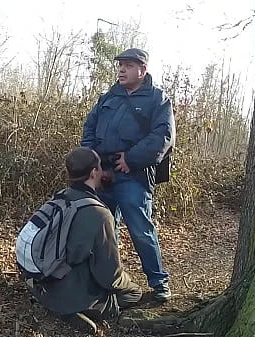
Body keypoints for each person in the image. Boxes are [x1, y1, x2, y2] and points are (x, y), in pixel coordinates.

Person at [81, 48, 175, 301]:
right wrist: (95, 162)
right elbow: (89, 129)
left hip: (134, 175)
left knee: (140, 229)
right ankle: (108, 281)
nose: (121, 70)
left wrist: (130, 159)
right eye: (120, 65)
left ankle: (159, 284)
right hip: (104, 174)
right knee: (104, 231)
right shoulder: (108, 98)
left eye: (128, 65)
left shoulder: (157, 99)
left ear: (142, 70)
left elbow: (163, 136)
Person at [16, 147, 142, 333]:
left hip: (42, 279)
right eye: (100, 167)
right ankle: (75, 310)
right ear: (93, 173)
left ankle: (51, 300)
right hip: (70, 292)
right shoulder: (99, 213)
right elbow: (109, 276)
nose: (102, 171)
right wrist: (129, 282)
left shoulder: (60, 197)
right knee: (133, 293)